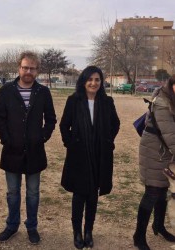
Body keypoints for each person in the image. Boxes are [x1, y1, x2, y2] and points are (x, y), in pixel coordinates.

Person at [0, 50, 56, 244]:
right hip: (12, 150)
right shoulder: (5, 91)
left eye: (32, 68)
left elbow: (51, 119)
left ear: (37, 70)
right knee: (12, 192)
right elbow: (0, 119)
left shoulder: (43, 92)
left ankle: (32, 226)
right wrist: (6, 139)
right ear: (18, 68)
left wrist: (42, 137)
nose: (28, 71)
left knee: (33, 193)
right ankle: (12, 225)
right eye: (25, 67)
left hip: (35, 151)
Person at [60, 66, 120, 249]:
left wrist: (107, 141)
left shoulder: (107, 101)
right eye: (90, 79)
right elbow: (64, 126)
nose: (93, 83)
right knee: (79, 196)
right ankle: (77, 231)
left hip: (99, 156)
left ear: (101, 82)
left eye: (97, 80)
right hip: (79, 155)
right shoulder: (74, 101)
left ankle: (88, 231)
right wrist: (71, 144)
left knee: (93, 196)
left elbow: (115, 124)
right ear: (84, 81)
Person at [133, 76, 175, 250]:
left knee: (163, 190)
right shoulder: (162, 102)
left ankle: (158, 226)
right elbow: (171, 135)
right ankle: (139, 236)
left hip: (166, 153)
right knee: (152, 191)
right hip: (154, 153)